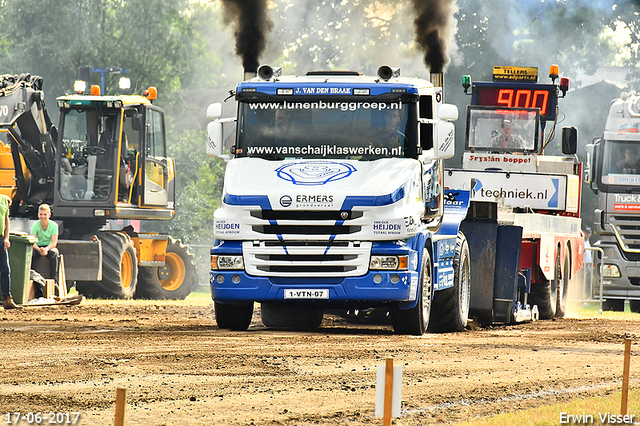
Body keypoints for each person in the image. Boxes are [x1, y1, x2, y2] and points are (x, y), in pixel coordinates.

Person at [30, 204, 59, 283]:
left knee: (54, 253)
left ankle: (54, 279)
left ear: (49, 215)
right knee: (30, 253)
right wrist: (39, 249)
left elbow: (54, 242)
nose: (43, 216)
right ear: (38, 215)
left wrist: (46, 249)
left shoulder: (54, 225)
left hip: (49, 247)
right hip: (37, 247)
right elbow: (32, 241)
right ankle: (30, 276)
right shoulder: (35, 225)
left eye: (45, 214)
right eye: (41, 214)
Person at [0, 194, 19, 309]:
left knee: (5, 269)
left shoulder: (3, 200)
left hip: (1, 239)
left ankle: (7, 299)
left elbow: (6, 221)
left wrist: (6, 238)